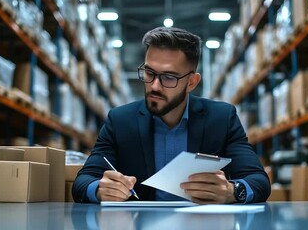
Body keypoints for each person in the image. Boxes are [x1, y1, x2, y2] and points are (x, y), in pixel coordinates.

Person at [73, 26, 270, 204]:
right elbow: (83, 181)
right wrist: (99, 189)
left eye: (168, 77)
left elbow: (258, 180)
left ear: (192, 82)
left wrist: (232, 191)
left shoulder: (221, 118)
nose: (154, 86)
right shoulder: (120, 121)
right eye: (149, 73)